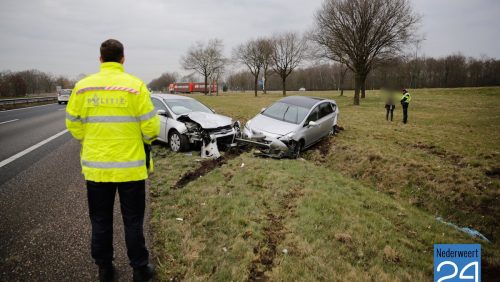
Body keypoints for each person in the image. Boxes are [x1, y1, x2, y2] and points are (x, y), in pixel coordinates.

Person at [66, 39, 160, 282]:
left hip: (97, 170)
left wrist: (91, 140)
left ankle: (105, 269)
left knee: (100, 220)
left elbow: (73, 124)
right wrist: (139, 139)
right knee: (133, 221)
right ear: (123, 59)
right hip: (131, 170)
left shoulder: (83, 87)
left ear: (100, 59)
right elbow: (151, 127)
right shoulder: (136, 86)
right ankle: (140, 269)